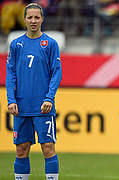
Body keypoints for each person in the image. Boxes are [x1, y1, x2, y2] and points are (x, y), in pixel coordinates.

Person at [6, 3, 62, 180]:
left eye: (37, 17)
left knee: (48, 148)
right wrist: (11, 100)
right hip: (21, 107)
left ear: (42, 19)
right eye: (30, 17)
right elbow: (10, 75)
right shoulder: (16, 45)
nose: (33, 21)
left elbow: (56, 73)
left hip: (43, 107)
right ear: (24, 19)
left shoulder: (50, 44)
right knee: (21, 150)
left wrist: (49, 98)